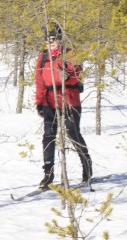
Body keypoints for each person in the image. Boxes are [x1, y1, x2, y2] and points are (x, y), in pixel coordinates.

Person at [34, 25, 92, 189]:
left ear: (59, 40)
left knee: (73, 134)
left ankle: (86, 167)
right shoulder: (43, 57)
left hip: (69, 101)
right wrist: (39, 102)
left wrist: (66, 76)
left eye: (53, 39)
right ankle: (48, 173)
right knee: (48, 136)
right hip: (49, 102)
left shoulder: (69, 54)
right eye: (48, 39)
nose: (50, 42)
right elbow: (39, 81)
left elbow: (77, 75)